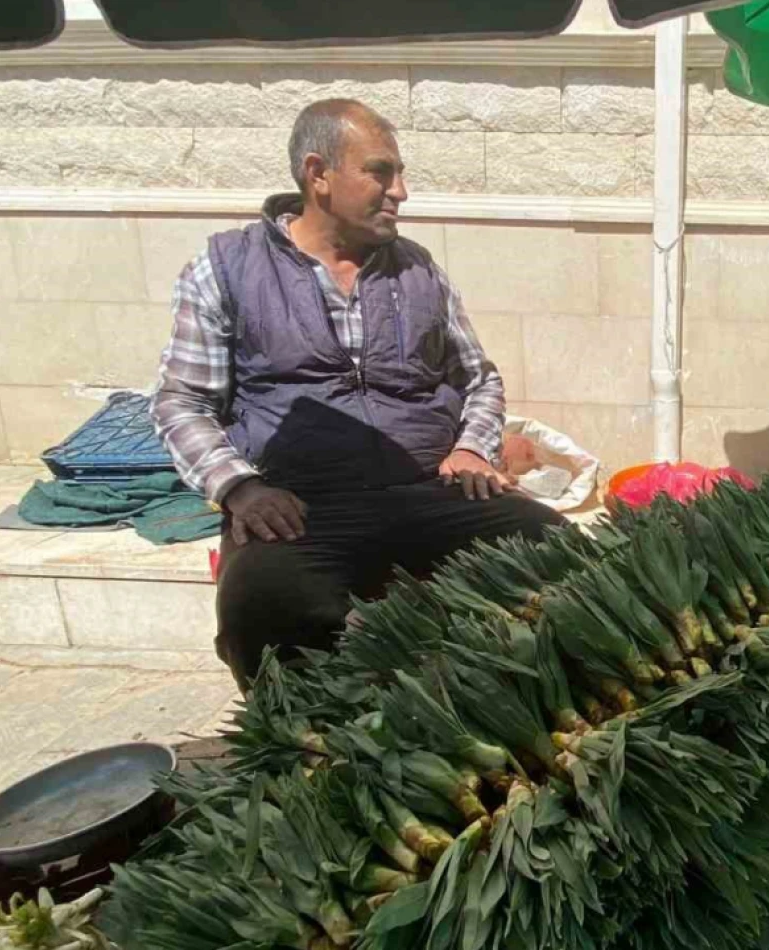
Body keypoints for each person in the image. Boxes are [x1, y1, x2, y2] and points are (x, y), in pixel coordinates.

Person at [152, 98, 564, 689]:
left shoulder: (417, 268)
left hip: (430, 489)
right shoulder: (226, 267)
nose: (401, 192)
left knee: (561, 557)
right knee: (265, 612)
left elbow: (477, 377)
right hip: (302, 507)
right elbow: (181, 401)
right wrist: (240, 488)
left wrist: (473, 448)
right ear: (318, 174)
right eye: (381, 172)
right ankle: (314, 762)